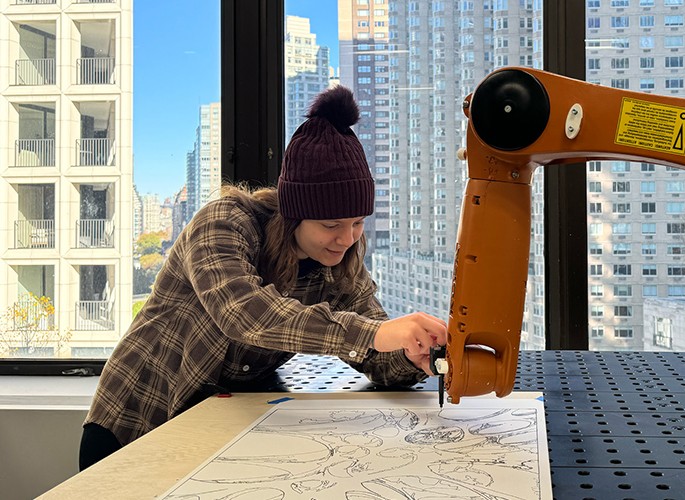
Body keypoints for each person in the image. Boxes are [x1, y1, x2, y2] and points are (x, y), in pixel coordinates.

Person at [79, 86, 448, 471]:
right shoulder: (224, 223)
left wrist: (411, 353)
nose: (347, 238)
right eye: (331, 224)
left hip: (214, 432)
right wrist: (375, 333)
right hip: (135, 421)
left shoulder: (340, 263)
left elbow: (378, 358)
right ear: (294, 214)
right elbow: (245, 315)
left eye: (358, 222)